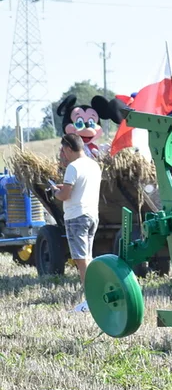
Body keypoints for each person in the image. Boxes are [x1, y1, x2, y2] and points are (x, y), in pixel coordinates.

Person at [53, 133, 102, 313]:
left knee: (81, 261)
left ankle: (92, 301)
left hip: (76, 217)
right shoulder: (94, 165)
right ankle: (94, 296)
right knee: (87, 258)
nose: (62, 154)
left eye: (62, 150)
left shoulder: (73, 167)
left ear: (67, 148)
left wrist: (55, 193)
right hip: (91, 215)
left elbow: (65, 195)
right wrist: (63, 188)